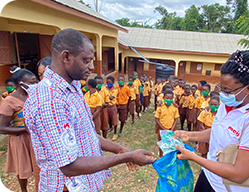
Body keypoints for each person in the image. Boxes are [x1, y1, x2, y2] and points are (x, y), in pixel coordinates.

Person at [23, 29, 155, 192]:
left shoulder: (73, 87)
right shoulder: (50, 100)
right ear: (66, 57)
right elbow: (69, 166)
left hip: (84, 184)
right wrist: (125, 157)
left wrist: (119, 149)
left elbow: (86, 134)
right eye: (86, 60)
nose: (92, 67)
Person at [173, 50, 249, 192]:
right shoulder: (227, 106)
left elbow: (239, 174)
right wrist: (190, 135)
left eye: (227, 90)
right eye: (221, 88)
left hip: (228, 188)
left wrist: (194, 158)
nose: (223, 94)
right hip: (208, 177)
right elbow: (220, 131)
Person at [0, 67, 38, 192]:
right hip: (20, 140)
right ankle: (24, 190)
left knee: (39, 167)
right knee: (22, 168)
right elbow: (2, 127)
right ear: (20, 84)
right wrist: (24, 129)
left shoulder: (33, 96)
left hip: (35, 138)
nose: (35, 84)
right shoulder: (9, 102)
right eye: (32, 82)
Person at [155, 90, 179, 157]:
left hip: (171, 129)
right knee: (161, 143)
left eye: (170, 98)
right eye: (167, 98)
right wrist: (164, 129)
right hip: (161, 129)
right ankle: (161, 156)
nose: (169, 100)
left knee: (170, 144)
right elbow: (156, 119)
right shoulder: (160, 107)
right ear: (163, 98)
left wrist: (172, 129)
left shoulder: (175, 107)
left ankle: (168, 157)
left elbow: (176, 119)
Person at [115, 75, 132, 140]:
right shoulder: (116, 88)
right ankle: (114, 130)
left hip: (123, 105)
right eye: (119, 80)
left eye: (122, 80)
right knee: (114, 118)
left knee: (122, 119)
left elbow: (130, 96)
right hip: (116, 105)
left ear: (124, 81)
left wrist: (128, 105)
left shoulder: (127, 88)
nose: (120, 81)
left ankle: (120, 130)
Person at [106, 76, 119, 140]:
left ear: (113, 83)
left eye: (110, 82)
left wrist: (105, 97)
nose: (108, 84)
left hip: (112, 107)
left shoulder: (115, 90)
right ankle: (109, 129)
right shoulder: (104, 89)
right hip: (106, 107)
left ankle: (115, 133)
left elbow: (111, 98)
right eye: (107, 82)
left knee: (114, 120)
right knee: (107, 120)